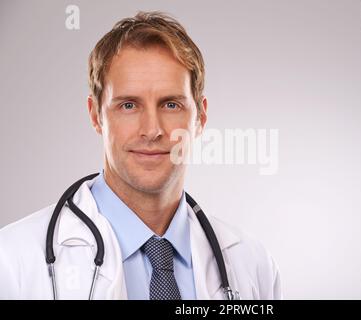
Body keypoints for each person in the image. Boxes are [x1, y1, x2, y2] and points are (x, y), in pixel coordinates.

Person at [0, 11, 281, 300]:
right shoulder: (12, 261)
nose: (152, 130)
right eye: (129, 105)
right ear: (96, 115)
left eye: (171, 104)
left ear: (201, 116)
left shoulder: (252, 265)